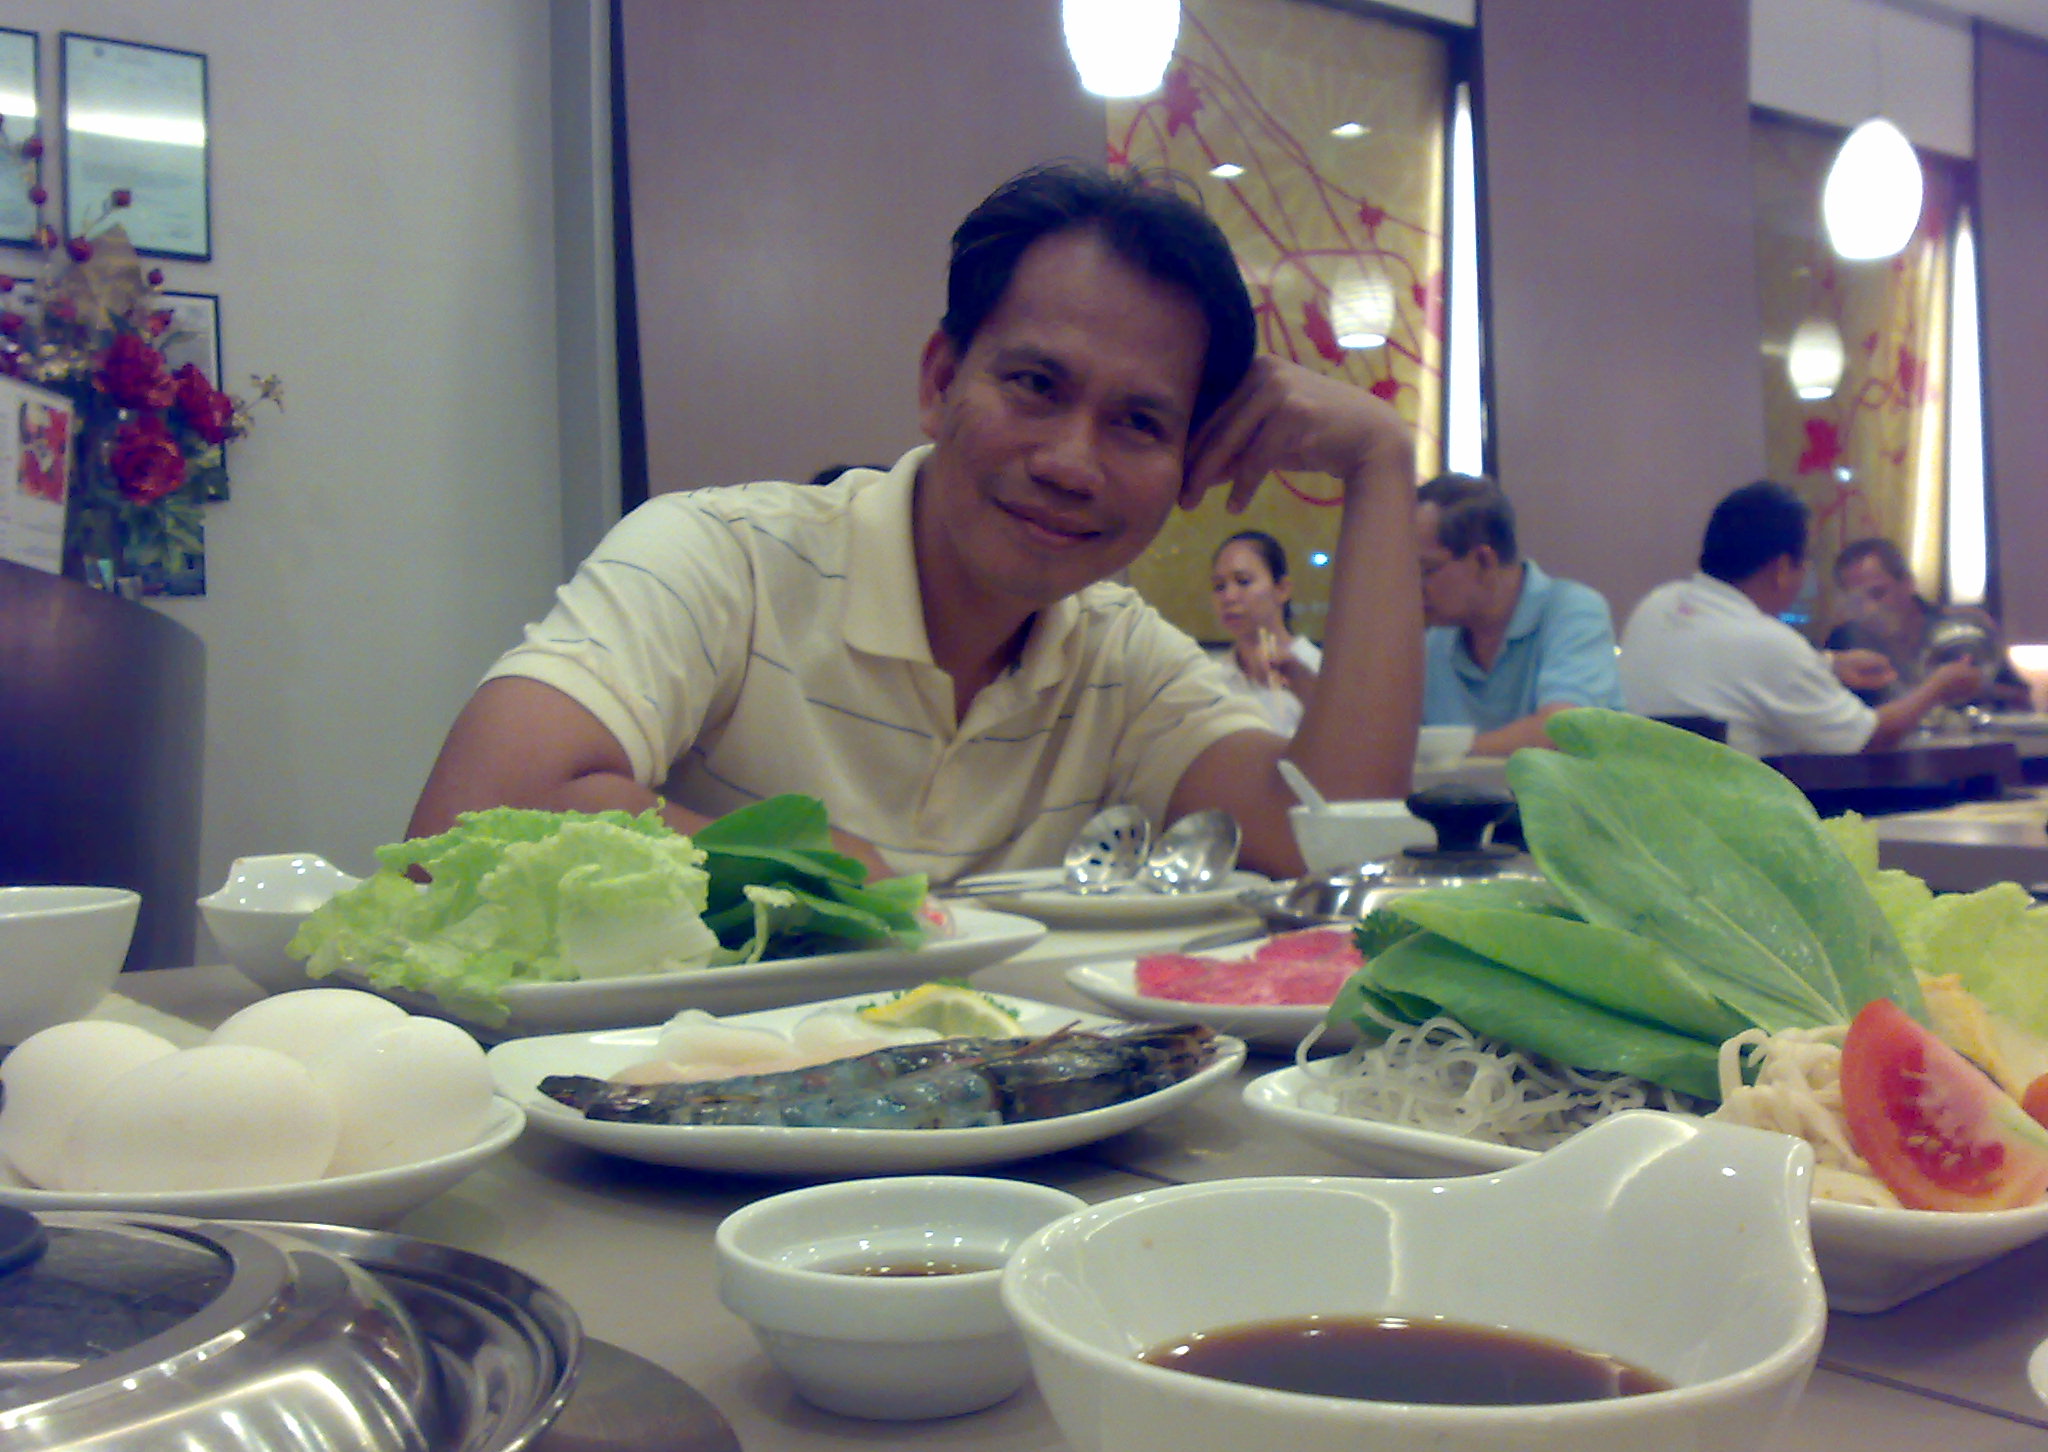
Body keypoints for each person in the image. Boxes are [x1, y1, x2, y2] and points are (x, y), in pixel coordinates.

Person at [407, 162, 1423, 880]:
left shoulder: (1121, 662)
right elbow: (467, 819)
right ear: (940, 383)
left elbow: (1322, 842)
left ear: (1187, 465)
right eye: (1033, 384)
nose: (1071, 461)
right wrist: (832, 874)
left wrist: (1381, 469)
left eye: (1138, 421)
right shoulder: (721, 561)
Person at [1618, 482, 1982, 757]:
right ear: (1781, 570)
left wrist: (1830, 664)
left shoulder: (1656, 605)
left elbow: (1724, 665)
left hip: (1653, 821)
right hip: (1744, 821)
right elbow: (1870, 737)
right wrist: (1937, 687)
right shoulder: (1766, 642)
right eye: (1804, 561)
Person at [1413, 473, 1624, 756]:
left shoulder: (1574, 610)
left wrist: (1440, 757)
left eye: (1426, 570)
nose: (1414, 587)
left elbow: (1563, 731)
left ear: (1484, 561)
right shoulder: (1436, 640)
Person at [1825, 536, 2029, 709]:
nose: (1869, 610)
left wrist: (1981, 687)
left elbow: (2022, 701)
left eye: (1878, 594)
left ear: (1907, 583)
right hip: (1884, 754)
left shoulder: (1962, 631)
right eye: (1856, 601)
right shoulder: (1844, 642)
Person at [1208, 529, 1319, 733]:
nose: (1229, 596)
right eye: (1219, 586)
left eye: (1243, 581)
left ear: (1282, 589)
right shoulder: (1210, 679)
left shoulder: (1318, 667)